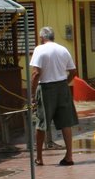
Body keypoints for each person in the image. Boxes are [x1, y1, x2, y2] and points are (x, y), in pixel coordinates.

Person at [30, 26, 78, 166]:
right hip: (62, 87)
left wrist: (32, 95)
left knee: (41, 122)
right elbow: (73, 71)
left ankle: (39, 157)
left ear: (42, 37)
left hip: (46, 88)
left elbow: (35, 73)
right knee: (66, 123)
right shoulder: (63, 49)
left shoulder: (39, 49)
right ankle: (69, 156)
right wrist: (65, 83)